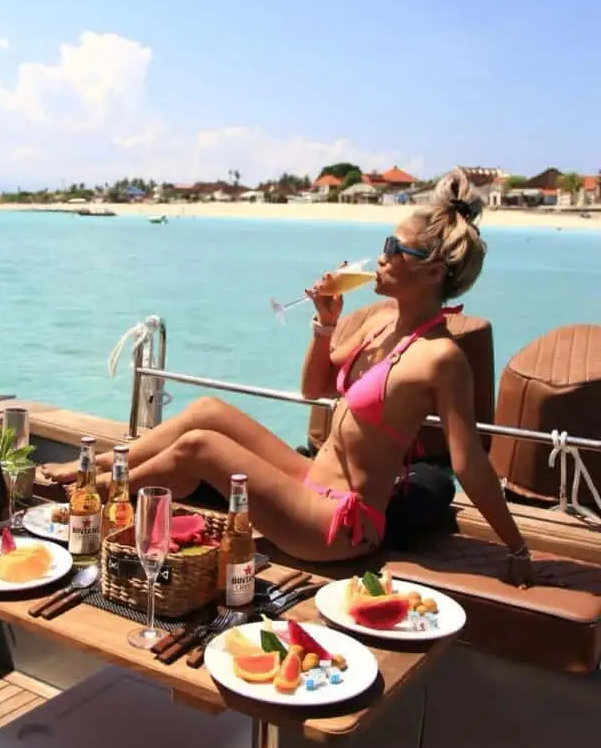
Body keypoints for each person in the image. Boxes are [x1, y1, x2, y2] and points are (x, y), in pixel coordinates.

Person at [39, 168, 533, 585]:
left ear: (433, 274)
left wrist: (516, 548)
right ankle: (97, 468)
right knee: (208, 411)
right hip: (311, 480)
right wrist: (325, 321)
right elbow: (314, 389)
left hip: (341, 524)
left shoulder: (440, 358)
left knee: (201, 450)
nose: (381, 255)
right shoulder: (379, 320)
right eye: (386, 242)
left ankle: (92, 499)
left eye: (396, 248)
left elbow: (470, 465)